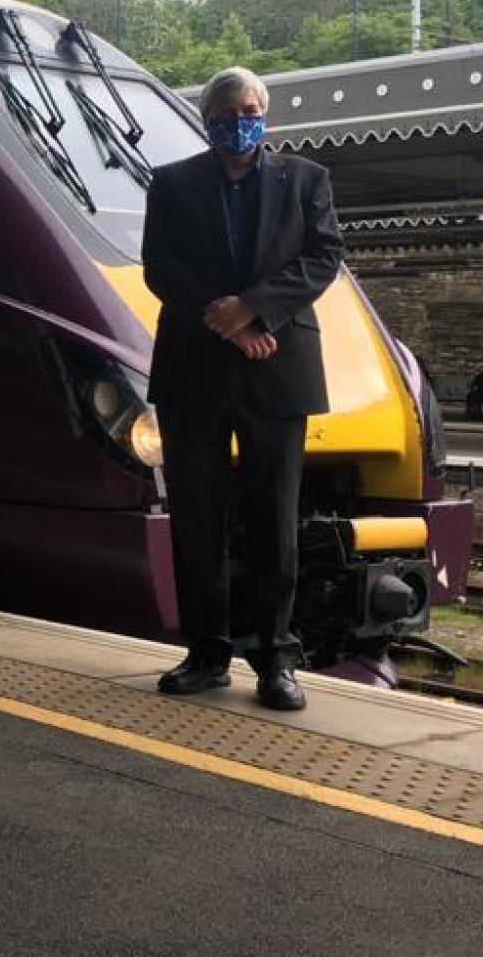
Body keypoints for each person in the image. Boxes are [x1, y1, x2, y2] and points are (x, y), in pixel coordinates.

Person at [141, 66, 342, 712]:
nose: (239, 121)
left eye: (250, 109)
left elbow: (322, 256)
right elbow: (159, 265)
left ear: (267, 114)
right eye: (227, 112)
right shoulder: (171, 184)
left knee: (273, 522)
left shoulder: (307, 180)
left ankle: (276, 660)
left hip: (278, 368)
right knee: (197, 520)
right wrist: (226, 322)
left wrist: (255, 308)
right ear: (207, 119)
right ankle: (206, 654)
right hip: (194, 373)